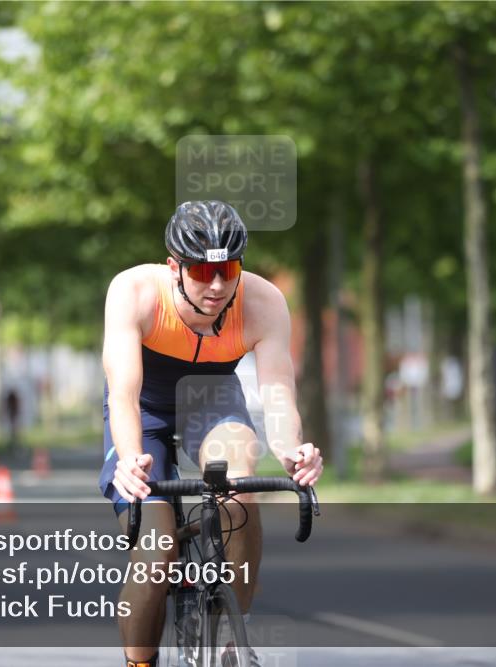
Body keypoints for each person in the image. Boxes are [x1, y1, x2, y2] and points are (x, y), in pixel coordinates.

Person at [97, 201, 323, 667]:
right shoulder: (134, 291)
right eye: (202, 271)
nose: (218, 285)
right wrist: (130, 458)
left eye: (229, 269)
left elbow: (278, 391)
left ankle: (230, 639)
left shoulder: (263, 301)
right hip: (145, 409)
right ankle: (139, 662)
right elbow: (123, 393)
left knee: (240, 486)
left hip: (212, 400)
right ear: (174, 267)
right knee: (157, 551)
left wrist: (289, 448)